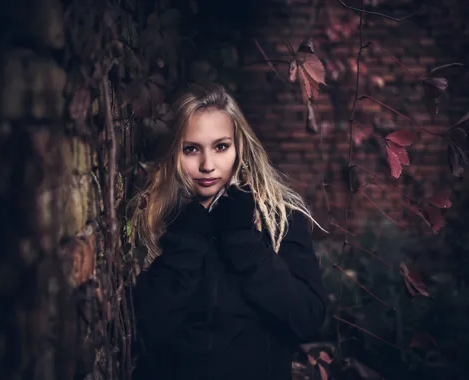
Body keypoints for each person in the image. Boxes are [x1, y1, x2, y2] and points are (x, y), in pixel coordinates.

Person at [128, 83, 328, 380]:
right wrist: (186, 242)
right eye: (191, 149)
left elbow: (307, 319)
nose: (208, 165)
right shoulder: (154, 218)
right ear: (173, 152)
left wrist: (244, 243)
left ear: (239, 147)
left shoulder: (278, 217)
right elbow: (145, 331)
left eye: (221, 146)